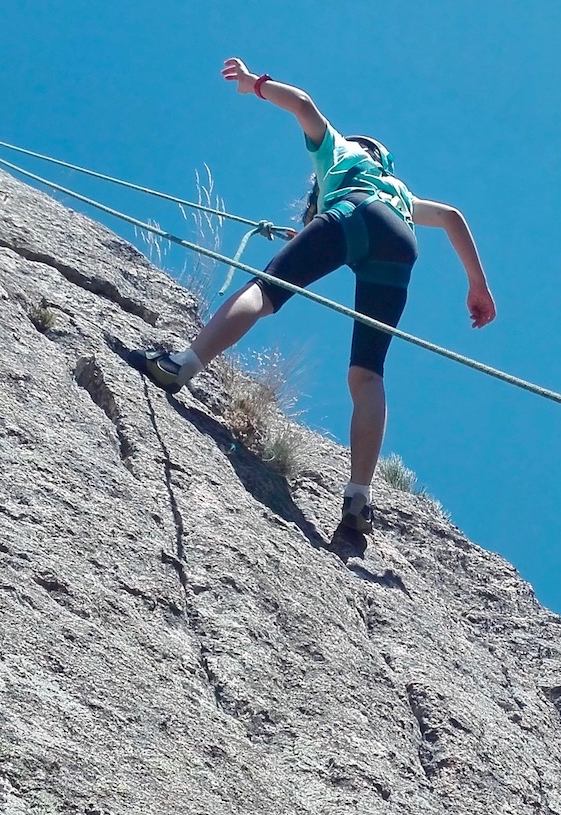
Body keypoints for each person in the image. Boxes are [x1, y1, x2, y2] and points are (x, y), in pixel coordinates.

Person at [137, 57, 496, 538]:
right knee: (367, 374)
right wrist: (478, 285)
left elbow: (303, 104)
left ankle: (183, 364)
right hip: (400, 243)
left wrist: (253, 85)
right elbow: (452, 215)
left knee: (263, 292)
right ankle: (359, 497)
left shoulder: (341, 152)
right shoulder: (402, 192)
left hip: (353, 212)